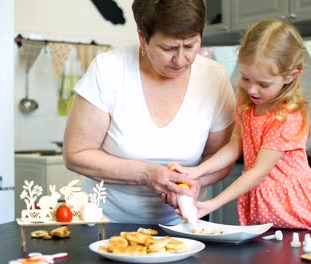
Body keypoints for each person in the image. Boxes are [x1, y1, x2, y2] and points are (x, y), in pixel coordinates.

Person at [62, 0, 236, 225]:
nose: (181, 60)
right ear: (142, 37)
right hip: (105, 222)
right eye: (168, 48)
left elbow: (220, 156)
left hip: (184, 224)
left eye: (191, 46)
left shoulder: (214, 77)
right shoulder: (108, 70)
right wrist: (146, 175)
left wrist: (197, 182)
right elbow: (76, 154)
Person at [170, 19, 311, 230]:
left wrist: (211, 205)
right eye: (245, 78)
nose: (252, 89)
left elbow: (257, 172)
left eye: (263, 84)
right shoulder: (247, 101)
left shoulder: (286, 116)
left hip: (291, 207)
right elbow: (234, 146)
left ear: (290, 76)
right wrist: (195, 172)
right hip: (262, 201)